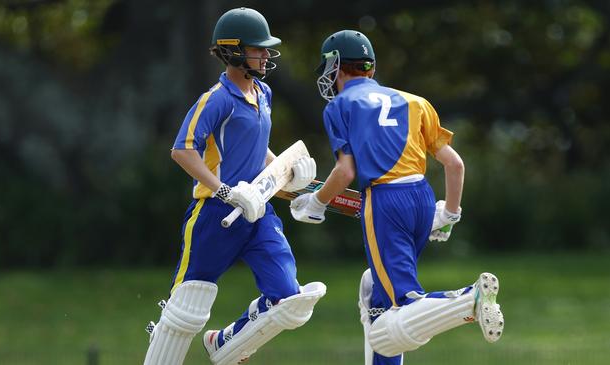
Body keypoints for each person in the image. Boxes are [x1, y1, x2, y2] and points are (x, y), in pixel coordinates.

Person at [290, 30, 504, 365]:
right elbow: (455, 164)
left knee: (405, 303)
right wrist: (448, 215)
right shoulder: (414, 101)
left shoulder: (340, 106)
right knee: (377, 296)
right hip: (422, 196)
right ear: (371, 68)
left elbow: (345, 172)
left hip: (385, 201)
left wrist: (316, 203)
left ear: (335, 67)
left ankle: (469, 300)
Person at [143, 8, 326, 365]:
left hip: (258, 212)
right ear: (233, 51)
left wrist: (292, 176)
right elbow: (182, 150)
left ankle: (224, 342)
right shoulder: (217, 99)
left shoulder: (264, 92)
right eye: (258, 49)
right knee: (186, 310)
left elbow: (258, 151)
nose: (265, 55)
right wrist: (225, 191)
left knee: (288, 299)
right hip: (214, 215)